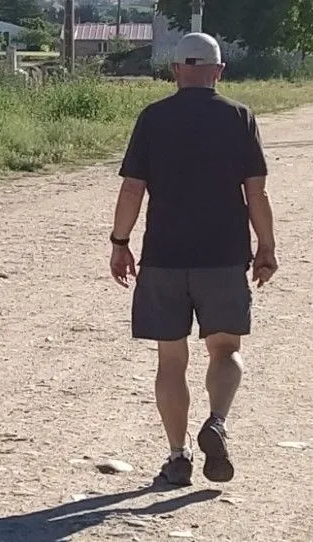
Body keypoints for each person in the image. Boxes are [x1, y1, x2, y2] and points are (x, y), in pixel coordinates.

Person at [108, 33, 278, 486]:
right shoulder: (240, 117)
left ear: (176, 70)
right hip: (223, 258)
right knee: (226, 350)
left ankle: (177, 455)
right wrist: (266, 246)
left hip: (164, 257)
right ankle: (217, 422)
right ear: (218, 72)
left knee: (171, 360)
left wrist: (120, 241)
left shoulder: (153, 118)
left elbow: (131, 189)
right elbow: (255, 191)